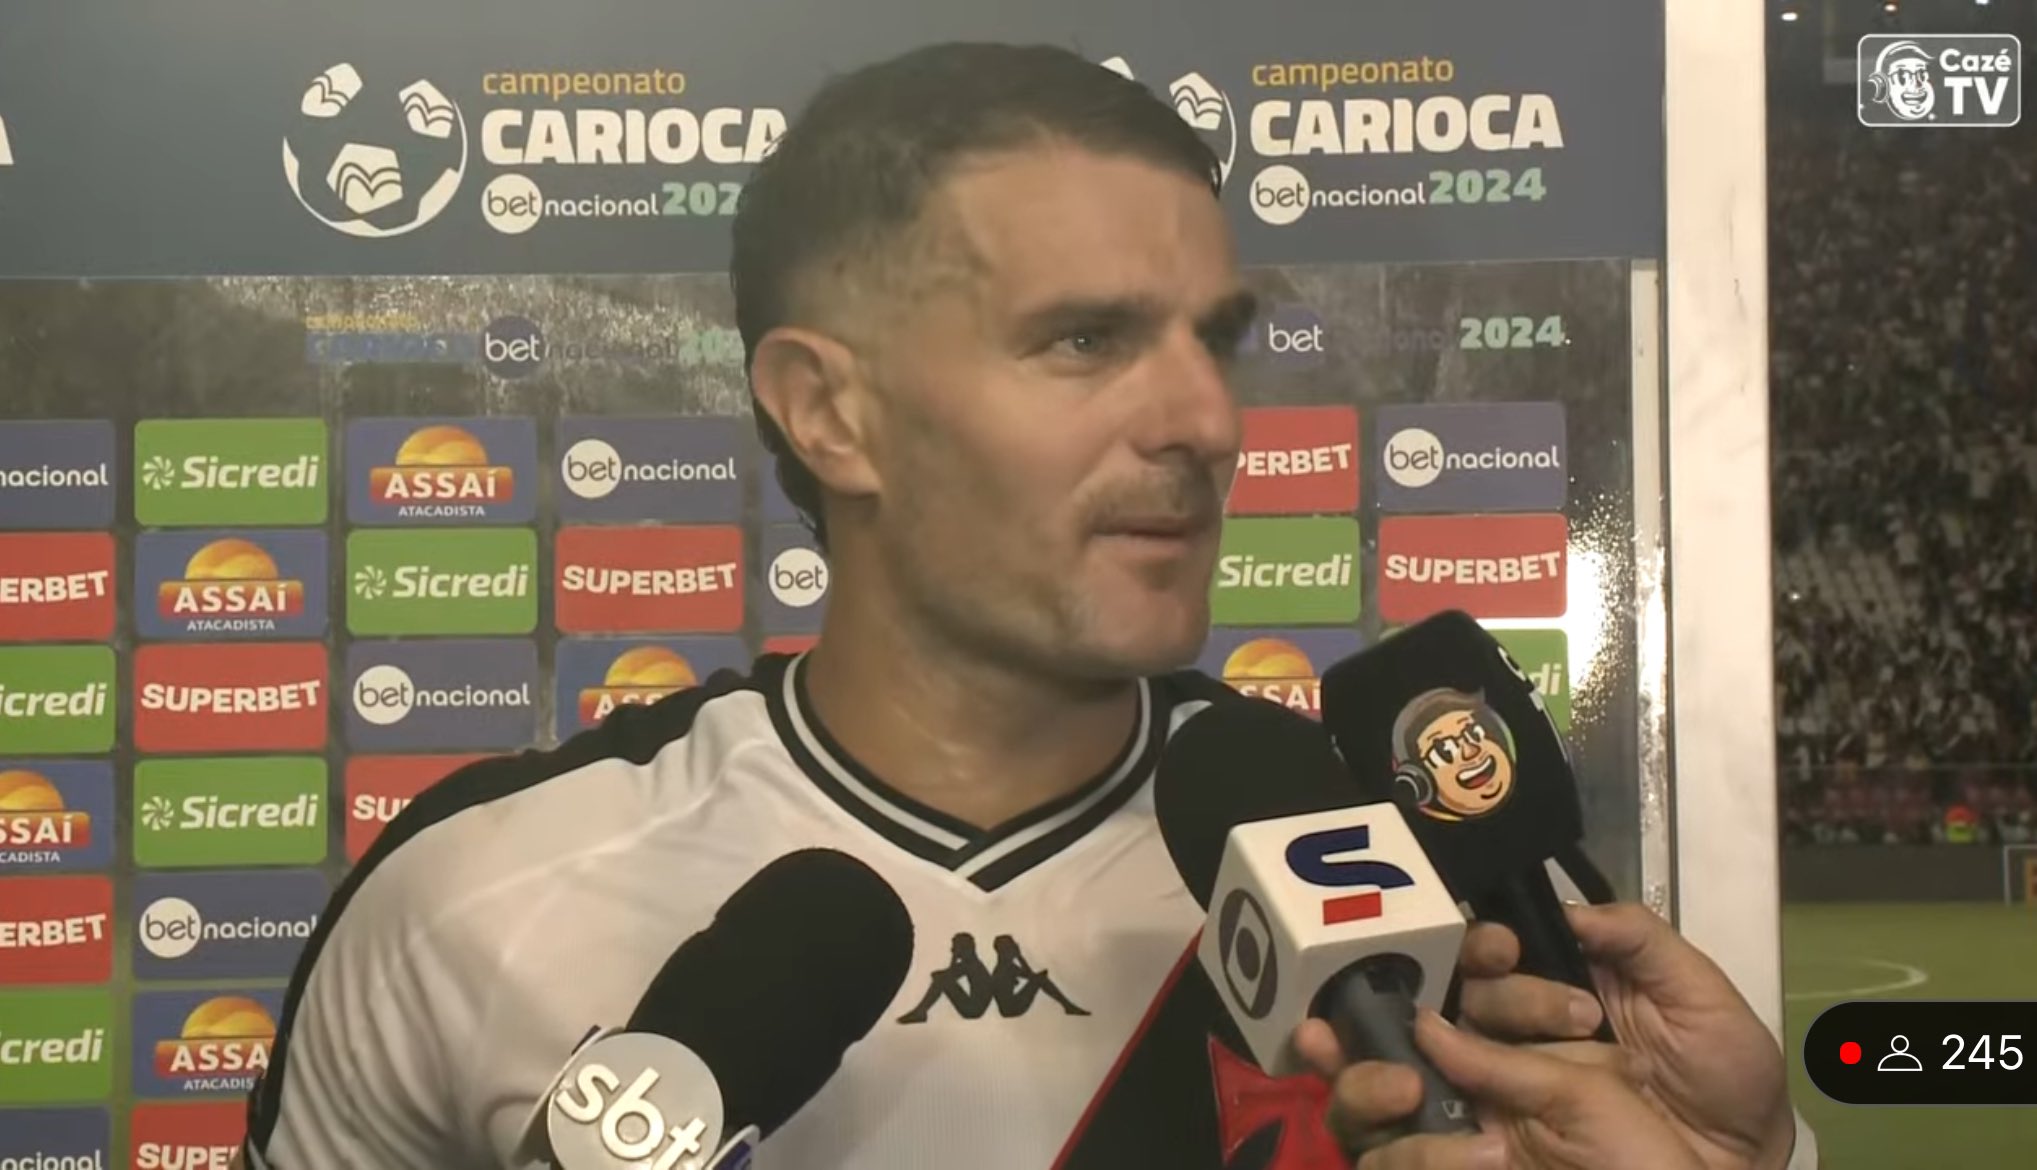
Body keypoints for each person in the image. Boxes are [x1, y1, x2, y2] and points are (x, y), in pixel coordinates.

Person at [236, 41, 1803, 1170]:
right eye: (1082, 341)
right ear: (829, 411)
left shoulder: (1421, 904)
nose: (1203, 418)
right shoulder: (473, 894)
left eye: (1212, 340)